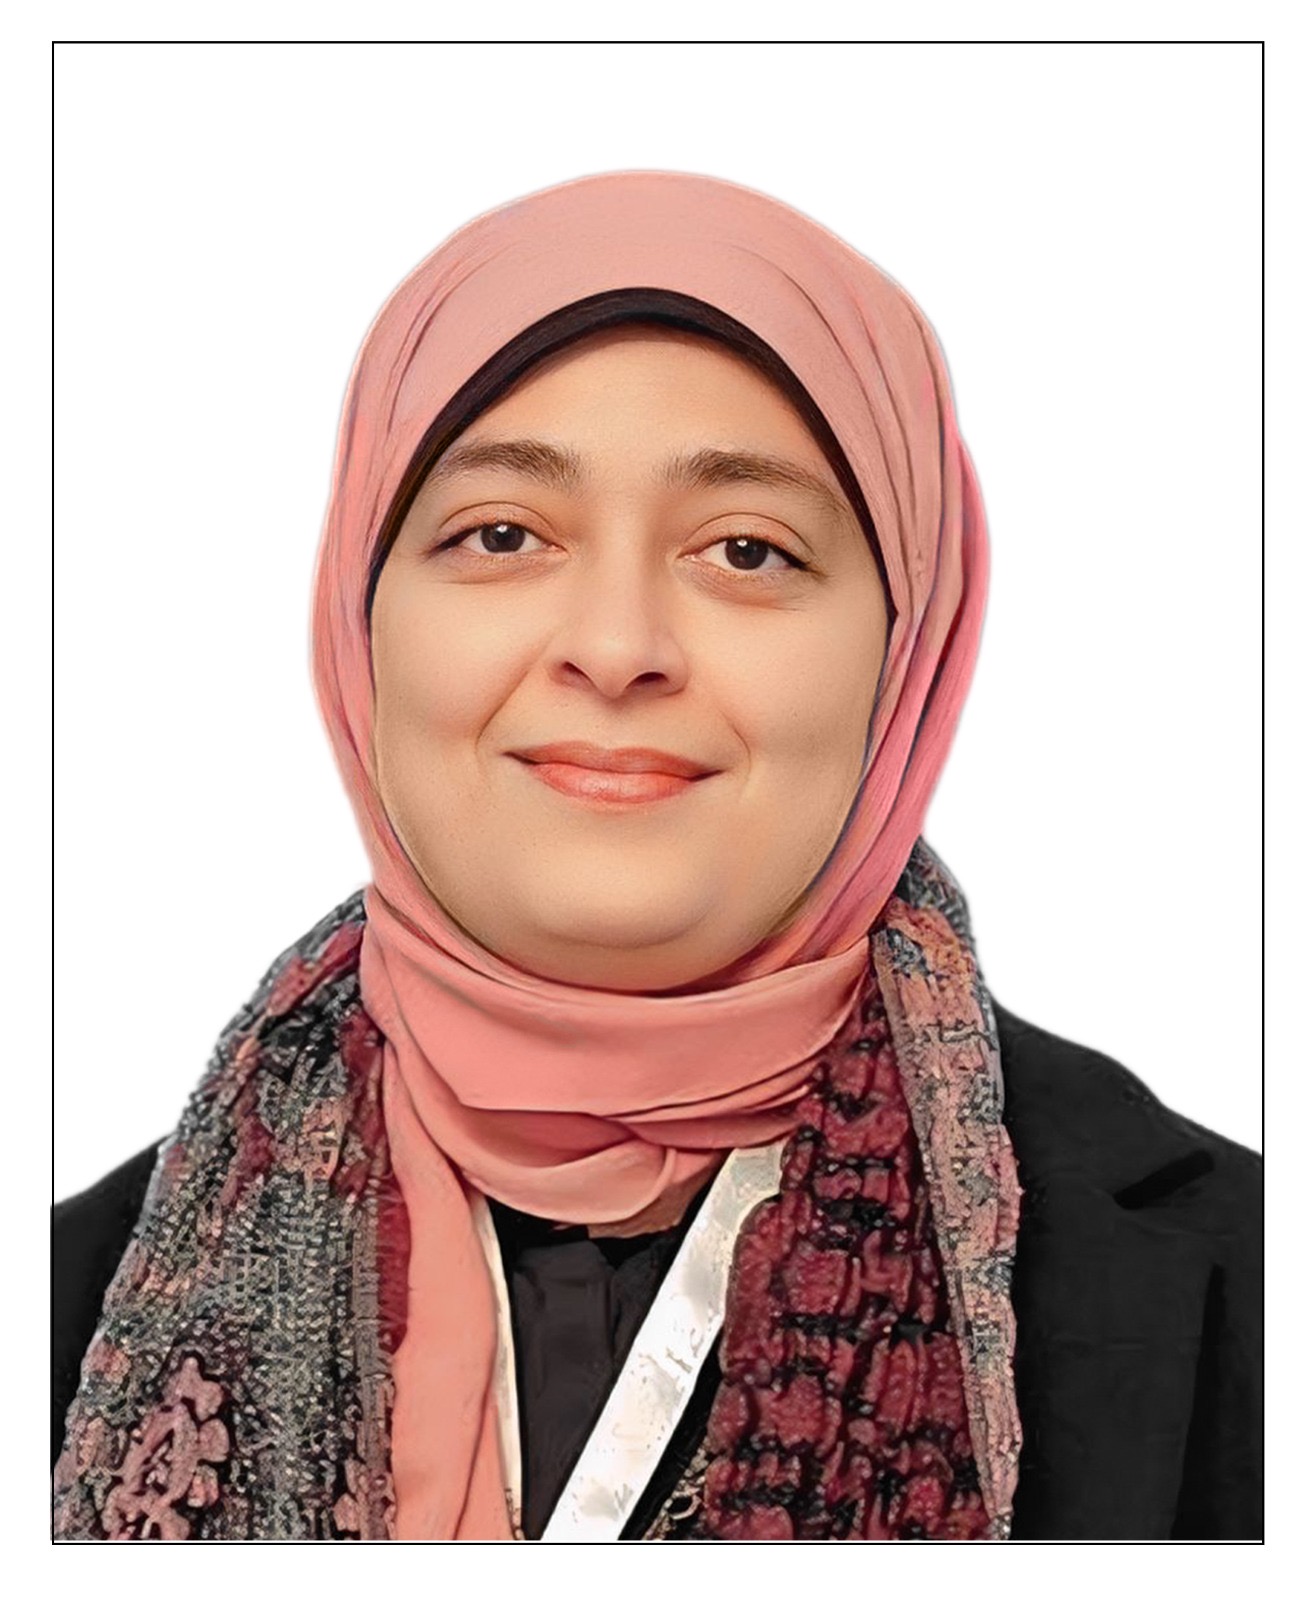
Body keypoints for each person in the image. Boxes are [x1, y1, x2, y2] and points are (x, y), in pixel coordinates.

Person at [52, 171, 1261, 1542]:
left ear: (908, 647)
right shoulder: (67, 1317)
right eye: (501, 534)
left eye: (746, 550)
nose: (618, 645)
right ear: (359, 619)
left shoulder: (1247, 1299)